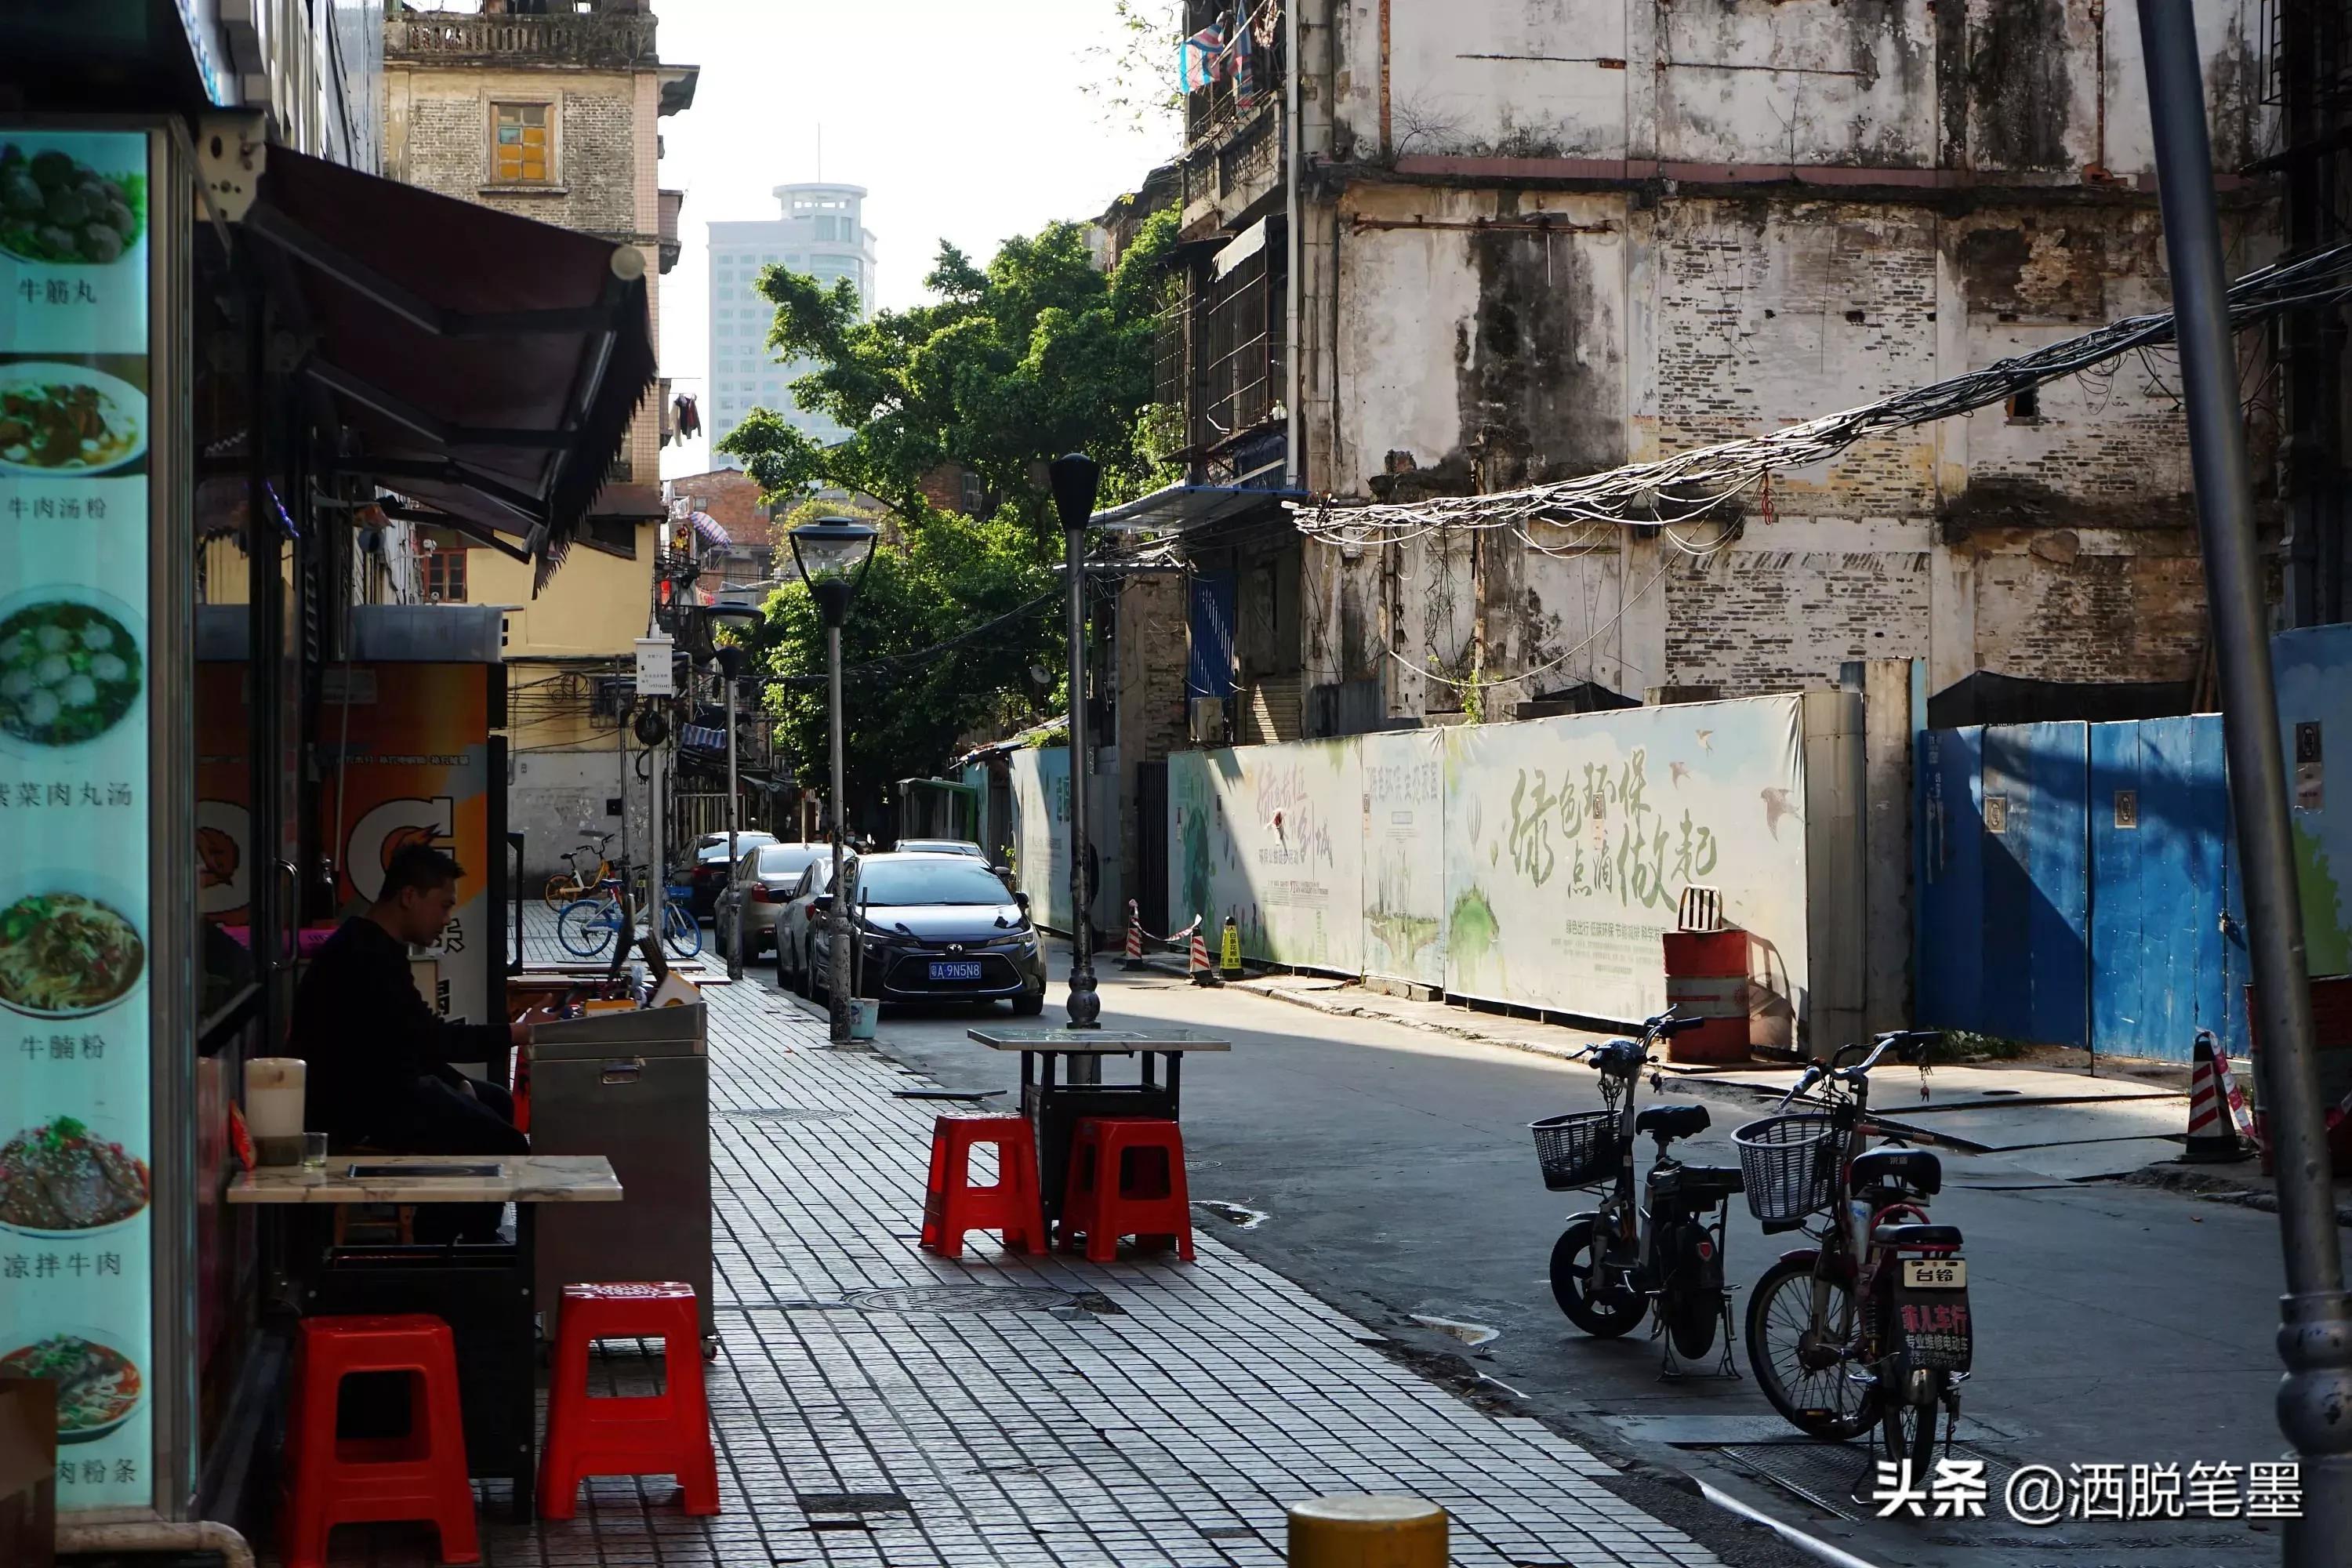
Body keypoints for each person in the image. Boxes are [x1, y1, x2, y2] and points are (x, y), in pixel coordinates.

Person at [289, 842, 535, 1243]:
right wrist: (518, 1034)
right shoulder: (365, 956)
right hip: (359, 1106)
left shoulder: (373, 944)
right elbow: (431, 1039)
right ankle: (454, 1250)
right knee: (503, 1142)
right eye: (443, 905)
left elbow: (410, 1036)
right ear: (408, 896)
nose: (447, 918)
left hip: (383, 1086)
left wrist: (456, 1082)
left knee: (497, 1102)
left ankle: (449, 1234)